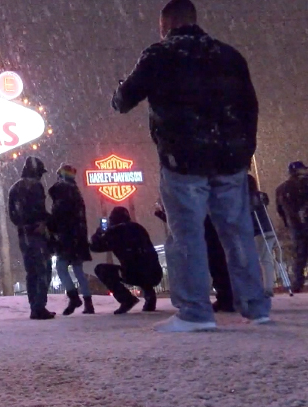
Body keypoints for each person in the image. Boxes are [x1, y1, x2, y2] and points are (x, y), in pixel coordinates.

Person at [112, 0, 270, 331]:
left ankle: (195, 312)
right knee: (237, 234)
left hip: (183, 159)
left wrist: (117, 94)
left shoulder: (160, 55)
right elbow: (250, 107)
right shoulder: (229, 55)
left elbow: (125, 99)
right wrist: (243, 151)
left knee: (187, 235)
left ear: (165, 26)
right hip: (230, 159)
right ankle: (256, 307)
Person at [154, 201, 235, 313]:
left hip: (210, 240)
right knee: (219, 267)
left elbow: (186, 225)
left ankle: (225, 298)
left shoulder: (198, 210)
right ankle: (227, 297)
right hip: (213, 239)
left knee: (217, 268)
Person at [90, 207, 163, 315]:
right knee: (143, 264)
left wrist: (98, 234)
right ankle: (150, 296)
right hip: (155, 273)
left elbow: (95, 247)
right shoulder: (138, 228)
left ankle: (126, 299)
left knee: (101, 269)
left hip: (133, 274)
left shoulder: (115, 233)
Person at [8, 156, 56, 320]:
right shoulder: (35, 186)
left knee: (31, 272)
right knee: (43, 270)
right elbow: (39, 210)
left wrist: (23, 225)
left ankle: (34, 306)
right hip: (37, 234)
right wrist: (45, 222)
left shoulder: (14, 188)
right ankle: (39, 307)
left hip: (23, 235)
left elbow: (13, 215)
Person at [47, 164, 94, 315]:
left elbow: (59, 217)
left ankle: (73, 297)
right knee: (78, 270)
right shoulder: (76, 192)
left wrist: (51, 227)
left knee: (61, 268)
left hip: (66, 237)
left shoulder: (61, 192)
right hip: (78, 236)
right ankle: (88, 303)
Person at [275, 161, 308, 293]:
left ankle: (297, 283)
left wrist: (288, 222)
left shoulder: (281, 189)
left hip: (295, 226)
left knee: (299, 255)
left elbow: (280, 210)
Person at [247, 174, 278, 296]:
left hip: (257, 231)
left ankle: (264, 287)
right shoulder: (261, 195)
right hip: (269, 229)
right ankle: (268, 285)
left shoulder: (245, 198)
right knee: (267, 259)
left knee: (259, 259)